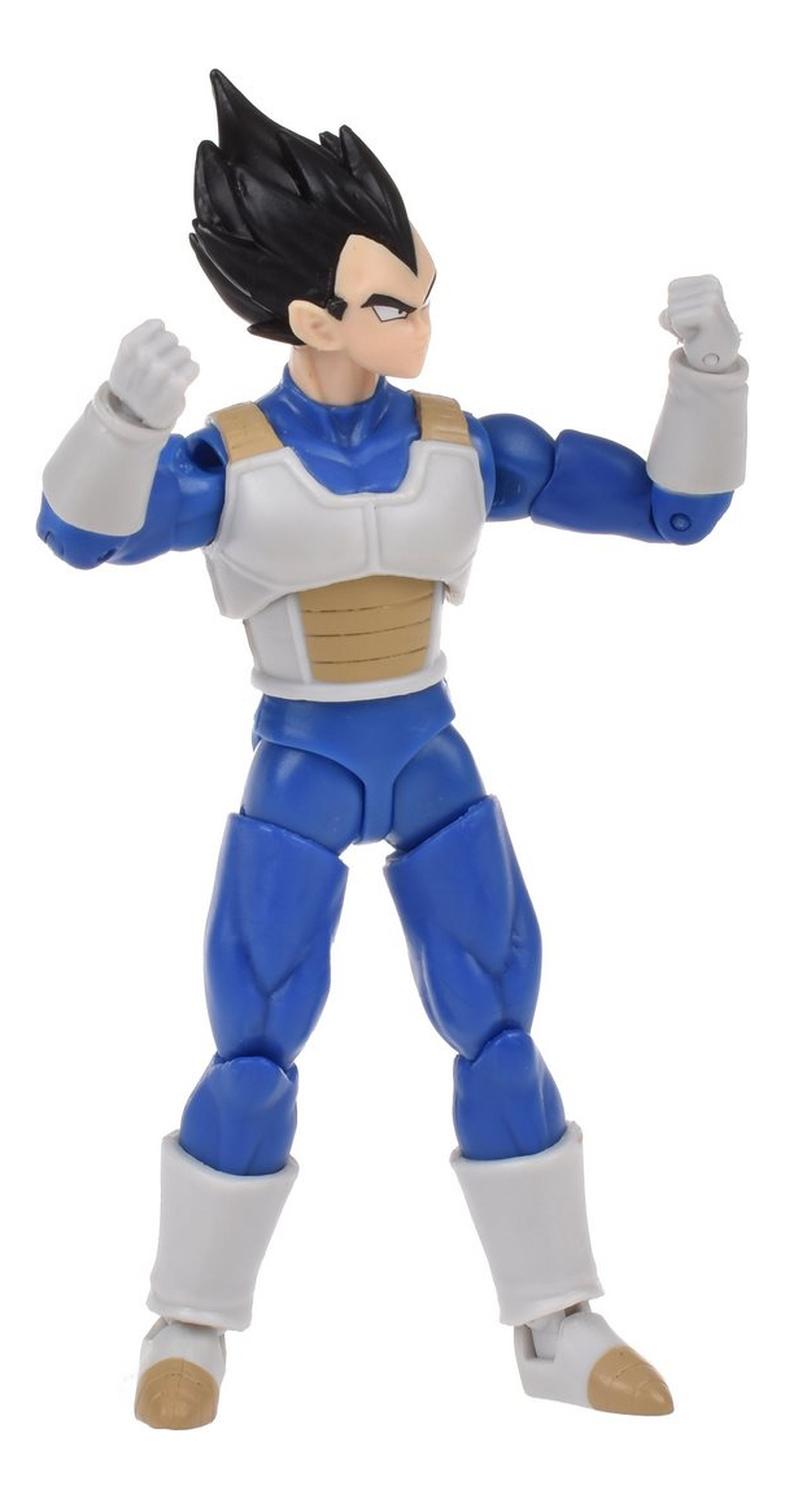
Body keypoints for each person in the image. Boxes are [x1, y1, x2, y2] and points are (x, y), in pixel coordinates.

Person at [39, 70, 748, 1428]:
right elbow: (79, 538)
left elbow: (673, 510)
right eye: (386, 300)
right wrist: (119, 421)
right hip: (300, 768)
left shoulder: (464, 444)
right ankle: (188, 1323)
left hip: (430, 760)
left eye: (420, 285)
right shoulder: (228, 460)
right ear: (309, 318)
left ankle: (555, 1319)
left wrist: (708, 373)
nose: (417, 315)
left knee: (500, 1024)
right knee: (255, 1040)